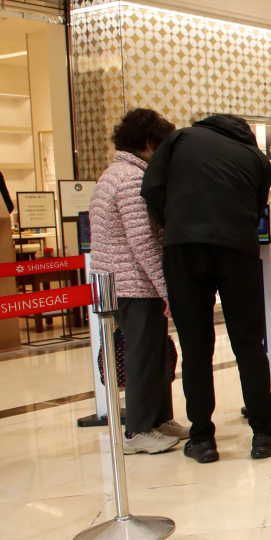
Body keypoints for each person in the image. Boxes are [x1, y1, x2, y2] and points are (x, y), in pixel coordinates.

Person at [141, 113, 271, 463]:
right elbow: (255, 207)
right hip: (237, 249)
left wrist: (176, 220)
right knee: (249, 345)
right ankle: (264, 434)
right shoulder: (256, 158)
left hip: (184, 249)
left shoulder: (180, 140)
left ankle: (202, 439)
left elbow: (152, 187)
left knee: (195, 347)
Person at [89, 108, 188, 455]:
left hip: (127, 281)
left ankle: (159, 418)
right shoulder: (131, 180)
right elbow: (144, 241)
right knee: (144, 354)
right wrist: (167, 289)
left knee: (156, 352)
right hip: (133, 283)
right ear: (148, 144)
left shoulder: (115, 174)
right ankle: (138, 429)